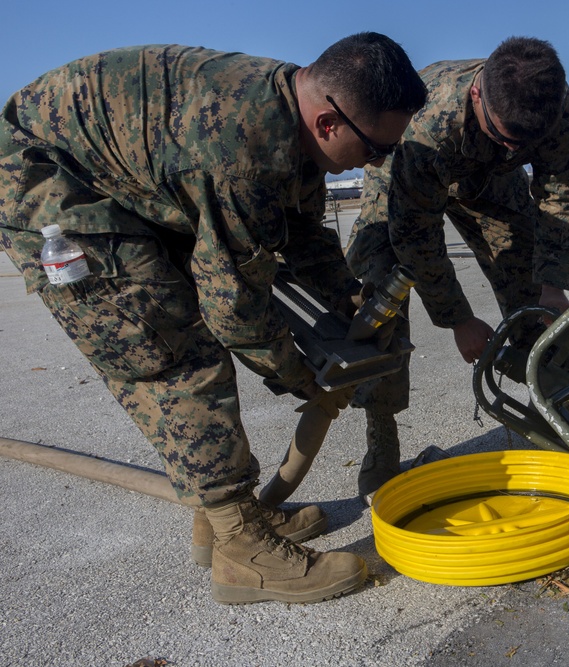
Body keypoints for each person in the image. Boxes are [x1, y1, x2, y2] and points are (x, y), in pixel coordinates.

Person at [0, 33, 427, 605]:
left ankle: (226, 516)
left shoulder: (289, 110)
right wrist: (305, 381)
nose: (377, 163)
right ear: (329, 123)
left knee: (186, 329)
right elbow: (236, 311)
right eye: (375, 149)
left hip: (118, 177)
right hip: (46, 187)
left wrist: (347, 297)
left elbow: (300, 231)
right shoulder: (239, 149)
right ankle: (240, 550)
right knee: (173, 350)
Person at [344, 36, 569, 501]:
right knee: (381, 290)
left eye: (525, 144)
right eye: (503, 136)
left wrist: (553, 283)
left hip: (491, 183)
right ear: (478, 95)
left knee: (534, 301)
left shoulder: (551, 101)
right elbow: (416, 234)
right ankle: (382, 432)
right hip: (407, 175)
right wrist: (457, 317)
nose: (515, 146)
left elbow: (561, 191)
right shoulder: (426, 123)